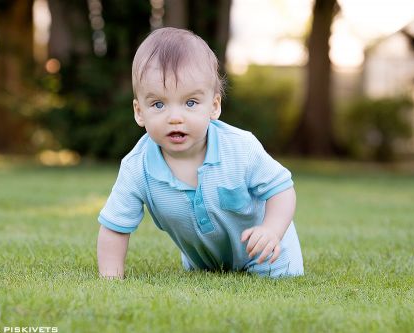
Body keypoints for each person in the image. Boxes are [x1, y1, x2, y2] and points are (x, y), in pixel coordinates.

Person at [97, 27, 303, 279]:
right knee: (208, 280)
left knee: (278, 282)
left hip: (267, 253)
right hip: (205, 264)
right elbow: (115, 228)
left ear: (214, 106)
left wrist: (272, 230)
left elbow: (281, 189)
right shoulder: (137, 168)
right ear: (139, 112)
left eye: (190, 103)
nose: (175, 117)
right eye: (158, 104)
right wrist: (110, 278)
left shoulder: (240, 148)